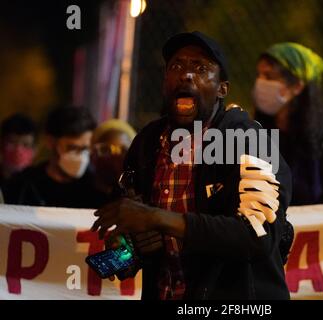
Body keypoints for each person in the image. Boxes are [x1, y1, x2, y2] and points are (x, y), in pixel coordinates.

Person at [91, 31, 293, 300]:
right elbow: (135, 242)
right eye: (176, 66)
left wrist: (157, 218)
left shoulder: (249, 141)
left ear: (222, 88)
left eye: (201, 68)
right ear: (165, 82)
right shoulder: (147, 143)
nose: (186, 75)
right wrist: (127, 251)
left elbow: (257, 235)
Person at [253, 42, 323, 205]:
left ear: (297, 86)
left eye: (269, 77)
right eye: (259, 75)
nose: (260, 82)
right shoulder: (256, 138)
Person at [3, 106, 103, 208]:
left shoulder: (98, 187)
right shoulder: (22, 186)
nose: (81, 157)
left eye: (85, 149)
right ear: (50, 142)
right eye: (72, 148)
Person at [91, 119, 136, 205]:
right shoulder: (82, 186)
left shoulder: (136, 194)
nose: (115, 156)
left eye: (122, 150)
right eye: (106, 150)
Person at [0, 113, 37, 186]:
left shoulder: (39, 184)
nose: (18, 150)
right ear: (1, 144)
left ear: (35, 150)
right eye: (12, 142)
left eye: (26, 145)